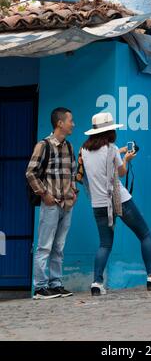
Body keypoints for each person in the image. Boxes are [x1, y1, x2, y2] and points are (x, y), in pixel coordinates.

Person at [78, 112, 151, 296]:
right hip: (119, 200)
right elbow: (120, 172)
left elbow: (103, 162)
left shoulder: (84, 150)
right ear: (109, 130)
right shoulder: (110, 149)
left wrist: (120, 152)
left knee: (104, 244)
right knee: (145, 234)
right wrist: (126, 159)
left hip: (98, 204)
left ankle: (96, 283)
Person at [26, 107, 78, 299]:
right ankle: (40, 287)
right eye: (70, 120)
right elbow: (30, 172)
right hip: (51, 203)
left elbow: (72, 172)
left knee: (59, 247)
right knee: (45, 246)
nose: (73, 124)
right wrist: (44, 194)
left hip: (67, 204)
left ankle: (55, 284)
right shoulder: (44, 145)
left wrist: (74, 192)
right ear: (60, 123)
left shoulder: (69, 146)